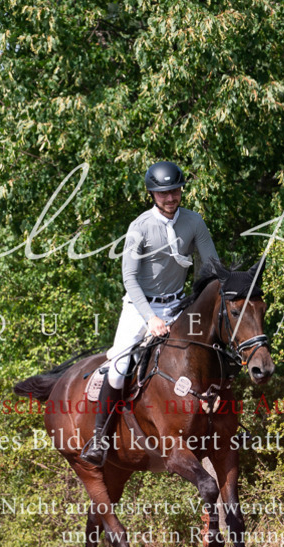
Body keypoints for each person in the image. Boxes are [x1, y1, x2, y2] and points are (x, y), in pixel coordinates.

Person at [81, 161, 220, 466]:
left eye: (175, 191)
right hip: (140, 306)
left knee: (214, 349)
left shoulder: (194, 221)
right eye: (163, 193)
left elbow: (211, 266)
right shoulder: (139, 227)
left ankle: (222, 424)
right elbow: (129, 279)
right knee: (118, 367)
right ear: (153, 195)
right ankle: (100, 439)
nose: (171, 198)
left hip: (178, 305)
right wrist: (150, 318)